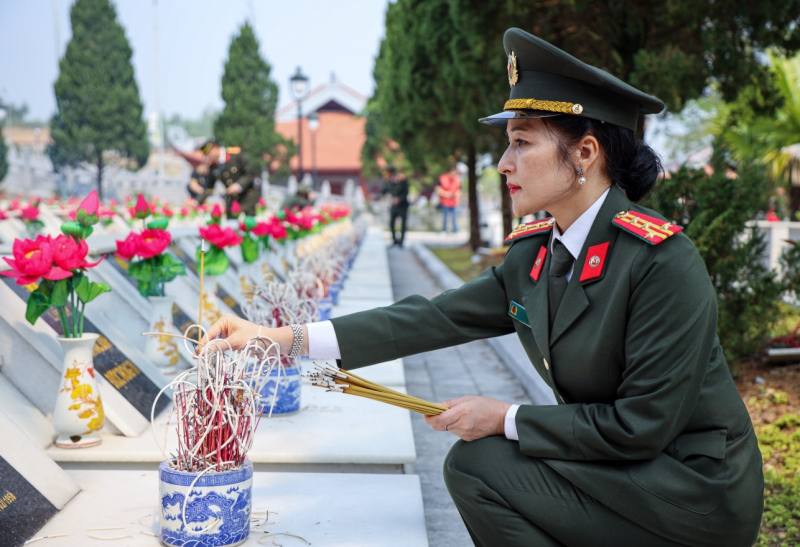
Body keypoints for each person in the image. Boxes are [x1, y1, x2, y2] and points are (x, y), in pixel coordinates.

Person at [199, 28, 763, 547]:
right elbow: (430, 318)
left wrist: (505, 417)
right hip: (618, 467)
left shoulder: (661, 262)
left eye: (521, 142)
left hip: (689, 488)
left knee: (481, 464)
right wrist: (278, 339)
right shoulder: (537, 253)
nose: (502, 163)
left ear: (585, 153)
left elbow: (640, 427)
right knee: (477, 467)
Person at [201, 139, 261, 217]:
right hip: (231, 203)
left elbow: (250, 172)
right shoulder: (214, 166)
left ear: (215, 148)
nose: (207, 157)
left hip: (247, 199)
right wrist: (196, 201)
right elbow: (209, 188)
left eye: (208, 154)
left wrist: (238, 185)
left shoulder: (235, 154)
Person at [381, 165, 410, 247]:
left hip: (403, 205)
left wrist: (399, 199)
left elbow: (406, 193)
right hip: (394, 206)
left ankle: (401, 242)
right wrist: (386, 182)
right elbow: (383, 192)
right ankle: (394, 241)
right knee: (392, 223)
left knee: (403, 224)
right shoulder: (389, 181)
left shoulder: (401, 179)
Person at [436, 166, 461, 233]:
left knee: (454, 218)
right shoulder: (443, 178)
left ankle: (455, 231)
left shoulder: (457, 180)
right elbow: (437, 189)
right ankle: (444, 230)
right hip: (445, 202)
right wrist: (447, 194)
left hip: (455, 202)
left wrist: (456, 194)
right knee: (445, 217)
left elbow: (459, 190)